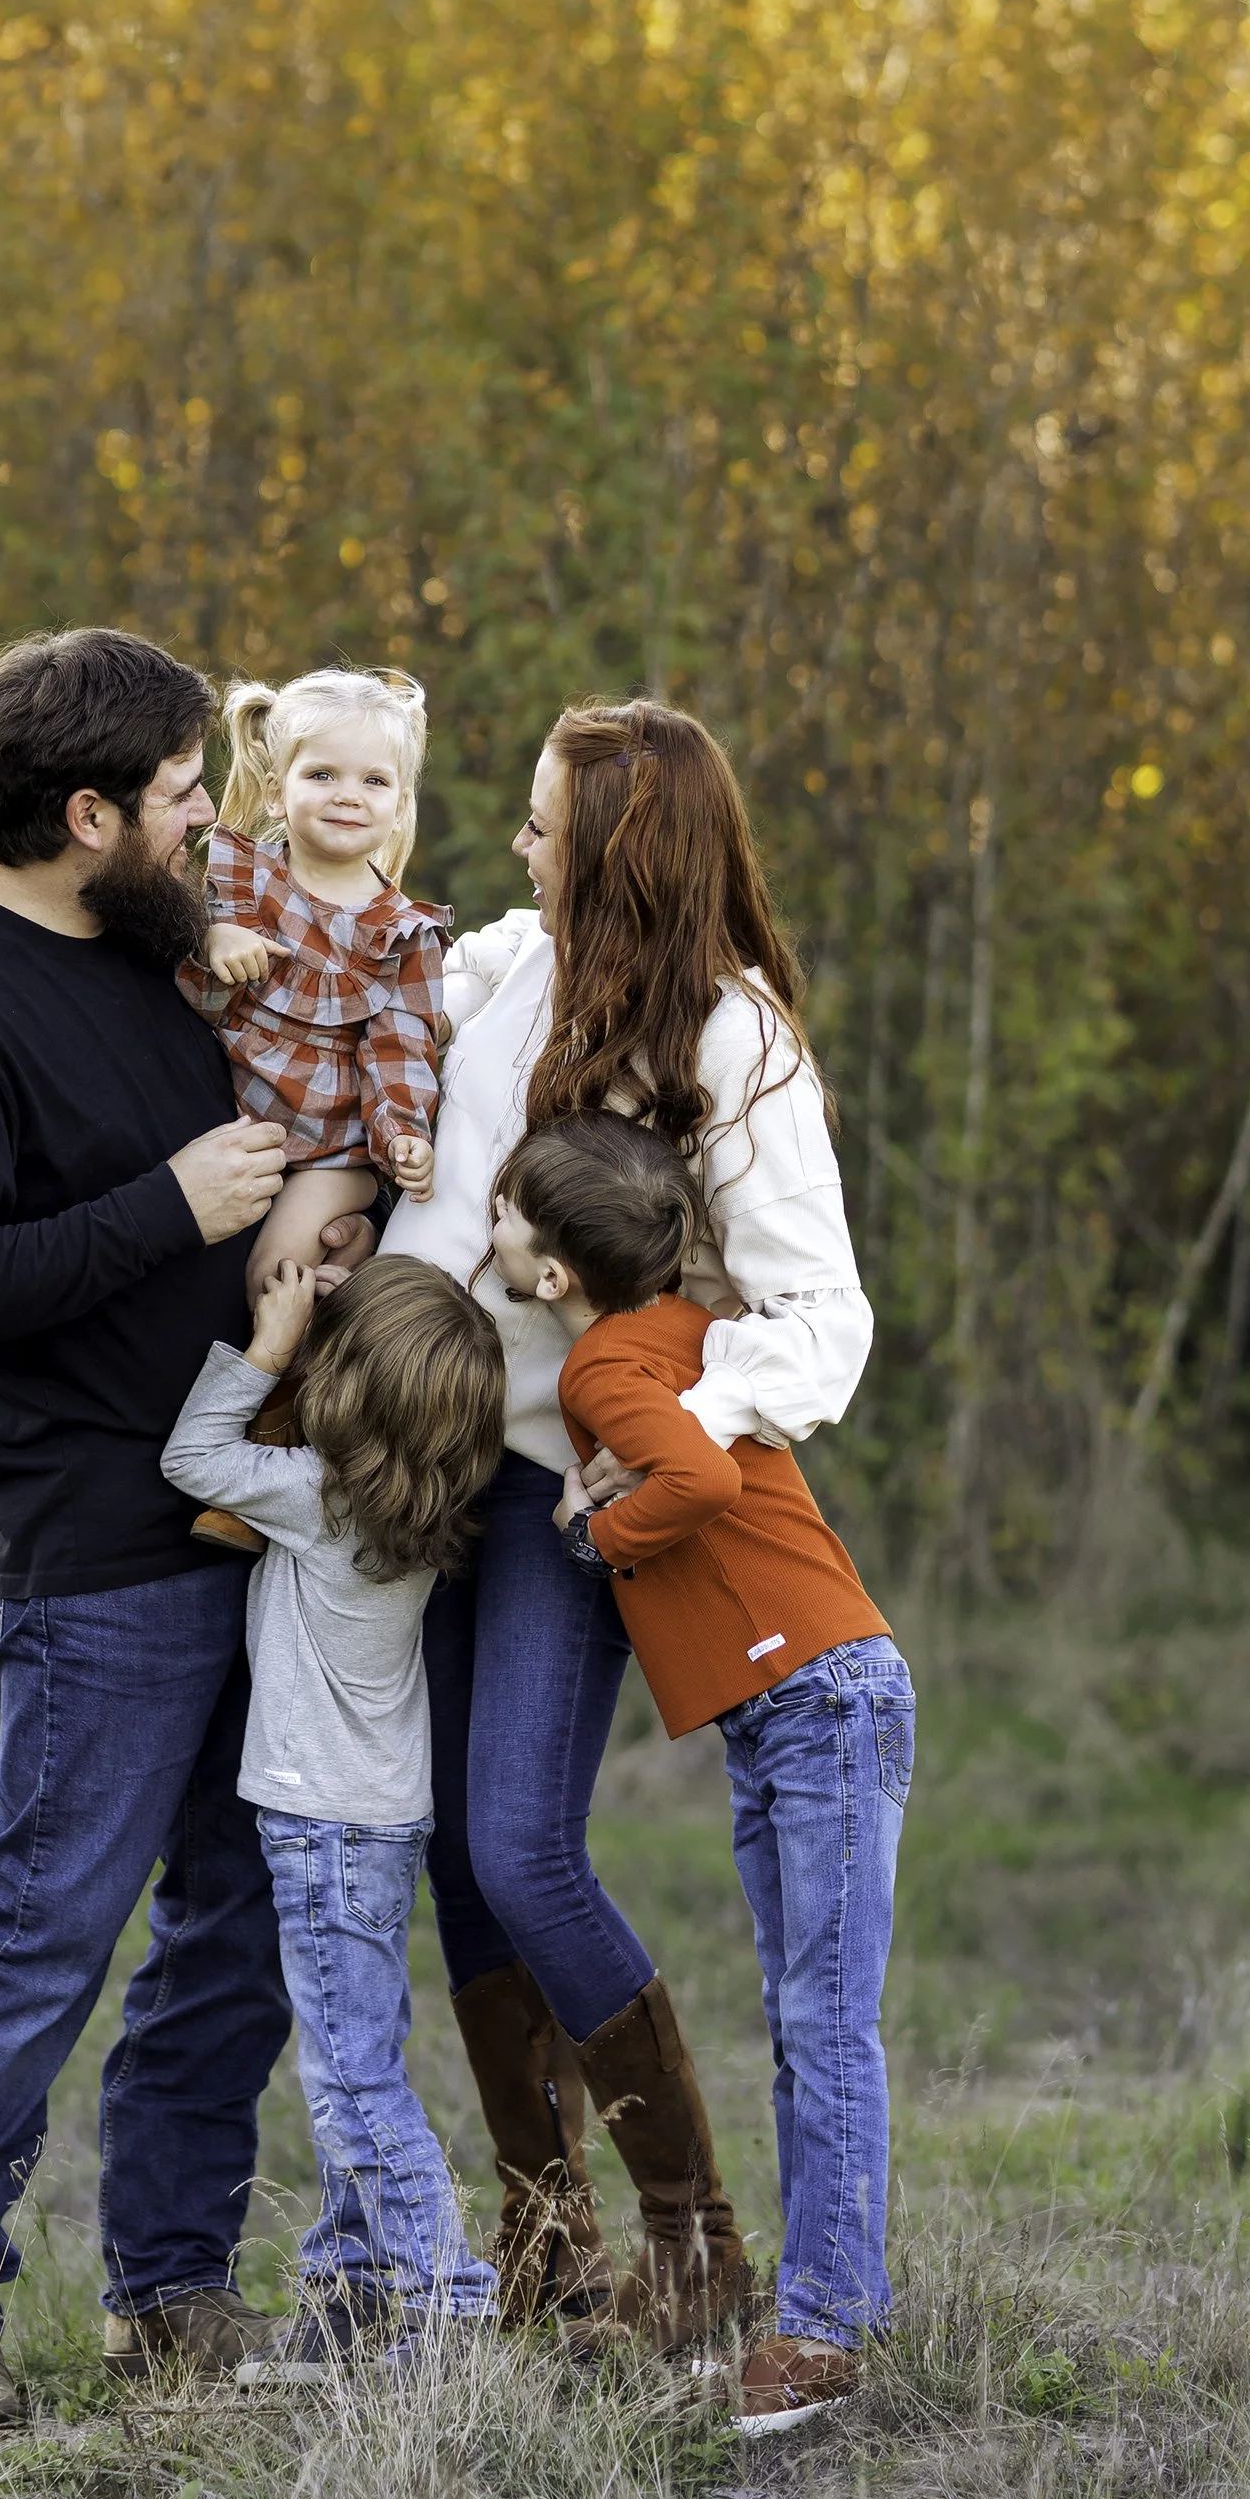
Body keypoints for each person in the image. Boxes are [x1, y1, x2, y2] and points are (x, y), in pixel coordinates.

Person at [0, 626, 374, 2436]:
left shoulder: (162, 955)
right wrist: (163, 1209)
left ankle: (168, 2291)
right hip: (102, 1551)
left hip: (259, 1517)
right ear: (86, 816)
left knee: (235, 1923)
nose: (206, 822)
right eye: (176, 800)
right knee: (45, 1927)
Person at [385, 698, 874, 2361]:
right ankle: (546, 2250)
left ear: (615, 851)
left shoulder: (733, 1045)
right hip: (421, 1473)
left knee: (518, 1843)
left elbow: (818, 1317)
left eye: (539, 824)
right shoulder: (507, 967)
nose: (515, 846)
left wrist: (666, 1417)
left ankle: (691, 2241)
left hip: (550, 1489)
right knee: (453, 1858)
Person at [487, 1112, 912, 2415]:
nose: (488, 1232)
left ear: (553, 1271)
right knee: (805, 2015)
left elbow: (702, 1486)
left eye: (503, 1215)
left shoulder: (604, 1372)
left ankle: (831, 2327)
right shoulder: (690, 1330)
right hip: (802, 1702)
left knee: (822, 2020)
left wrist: (593, 1525)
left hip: (815, 1693)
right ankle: (827, 2295)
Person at [161, 1254, 507, 2382]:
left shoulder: (316, 1496)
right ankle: (351, 2297)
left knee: (351, 2076)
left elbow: (191, 1457)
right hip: (380, 1823)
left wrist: (266, 1347)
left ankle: (447, 2301)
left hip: (318, 1830)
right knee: (361, 2054)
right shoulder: (431, 1505)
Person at [177, 666, 447, 1307]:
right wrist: (213, 942)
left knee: (270, 1278)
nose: (348, 796)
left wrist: (404, 1134)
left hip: (333, 1151)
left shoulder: (402, 935)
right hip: (233, 1116)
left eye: (375, 781)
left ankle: (278, 1395)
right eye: (322, 775)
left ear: (400, 803)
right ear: (276, 791)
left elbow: (399, 1051)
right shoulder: (237, 881)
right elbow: (187, 1002)